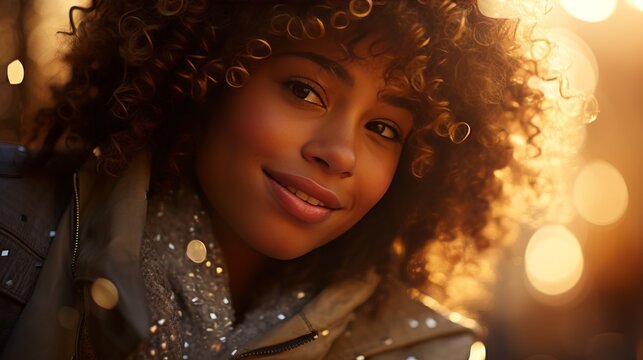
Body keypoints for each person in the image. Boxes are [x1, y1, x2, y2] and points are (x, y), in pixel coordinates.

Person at [0, 0, 544, 358]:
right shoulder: (13, 228)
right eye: (304, 91)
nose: (338, 153)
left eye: (382, 127)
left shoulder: (422, 350)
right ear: (208, 72)